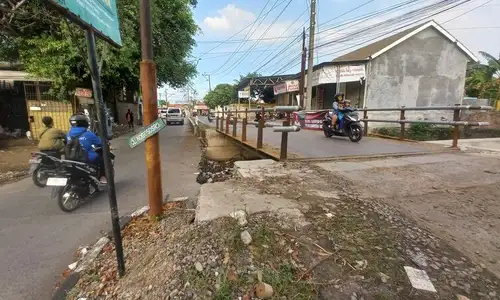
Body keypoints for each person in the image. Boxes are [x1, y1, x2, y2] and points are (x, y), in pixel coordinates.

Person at [67, 114, 107, 184]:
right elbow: (100, 143)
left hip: (71, 158)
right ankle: (102, 177)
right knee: (102, 160)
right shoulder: (88, 134)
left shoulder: (68, 134)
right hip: (86, 158)